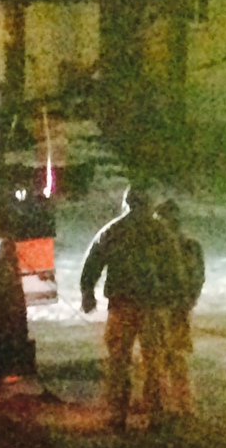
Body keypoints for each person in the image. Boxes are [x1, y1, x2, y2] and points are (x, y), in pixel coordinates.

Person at [79, 185, 185, 431]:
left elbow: (93, 261)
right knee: (154, 362)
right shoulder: (161, 231)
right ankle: (155, 415)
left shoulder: (113, 230)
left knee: (118, 361)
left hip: (121, 306)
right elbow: (174, 269)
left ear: (127, 202)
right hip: (153, 307)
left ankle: (118, 414)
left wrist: (88, 293)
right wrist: (175, 301)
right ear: (149, 203)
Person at [156, 199, 206, 416]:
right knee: (176, 357)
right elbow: (198, 278)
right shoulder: (192, 246)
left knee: (159, 357)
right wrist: (189, 301)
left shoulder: (156, 248)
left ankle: (164, 402)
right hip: (179, 308)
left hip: (160, 308)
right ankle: (183, 403)